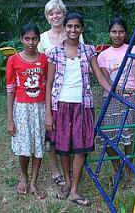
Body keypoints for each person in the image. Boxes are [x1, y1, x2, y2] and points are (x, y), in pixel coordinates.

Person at [45, 12, 112, 206]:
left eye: (77, 27)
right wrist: (48, 113)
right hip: (61, 106)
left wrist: (115, 92)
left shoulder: (89, 51)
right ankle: (66, 182)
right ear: (64, 28)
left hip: (83, 106)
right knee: (63, 148)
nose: (73, 30)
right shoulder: (54, 53)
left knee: (81, 148)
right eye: (70, 26)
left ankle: (74, 190)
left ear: (82, 29)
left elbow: (99, 77)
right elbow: (48, 84)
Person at [38, 0, 83, 186]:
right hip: (47, 90)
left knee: (68, 131)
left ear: (64, 14)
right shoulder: (41, 38)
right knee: (50, 132)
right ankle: (55, 170)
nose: (55, 16)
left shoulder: (74, 32)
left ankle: (70, 168)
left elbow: (82, 59)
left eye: (58, 12)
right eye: (51, 13)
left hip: (70, 94)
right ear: (47, 17)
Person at [97, 16, 135, 180]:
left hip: (132, 97)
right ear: (109, 33)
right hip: (111, 98)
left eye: (121, 32)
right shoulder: (103, 55)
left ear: (125, 33)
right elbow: (106, 79)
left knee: (129, 136)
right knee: (108, 135)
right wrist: (118, 89)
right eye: (114, 31)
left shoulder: (134, 49)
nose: (117, 35)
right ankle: (117, 165)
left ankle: (128, 168)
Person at [6, 24, 47, 198]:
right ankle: (23, 176)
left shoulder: (45, 59)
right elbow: (10, 89)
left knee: (38, 144)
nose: (31, 42)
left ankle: (33, 181)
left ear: (39, 39)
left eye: (34, 38)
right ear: (21, 39)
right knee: (24, 146)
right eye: (27, 38)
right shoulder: (13, 60)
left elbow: (46, 84)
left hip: (40, 108)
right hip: (21, 108)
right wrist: (10, 118)